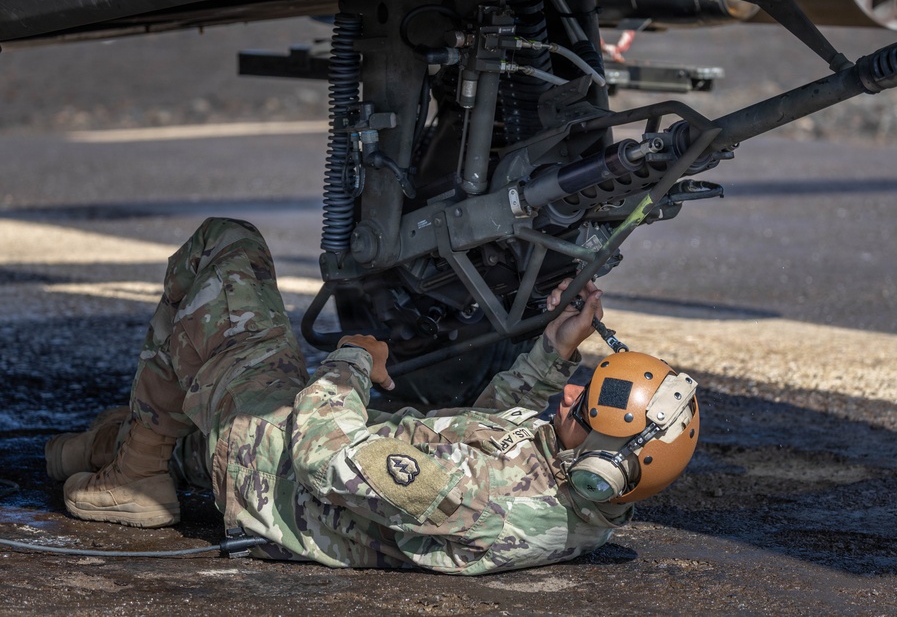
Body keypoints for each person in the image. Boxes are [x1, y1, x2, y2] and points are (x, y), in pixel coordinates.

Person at [45, 217, 699, 575]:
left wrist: (353, 360)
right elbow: (497, 429)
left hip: (267, 467)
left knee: (229, 247)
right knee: (105, 439)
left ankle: (138, 475)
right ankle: (126, 447)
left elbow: (325, 458)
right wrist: (555, 346)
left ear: (603, 465)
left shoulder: (478, 494)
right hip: (287, 461)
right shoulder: (592, 497)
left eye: (583, 409)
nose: (571, 395)